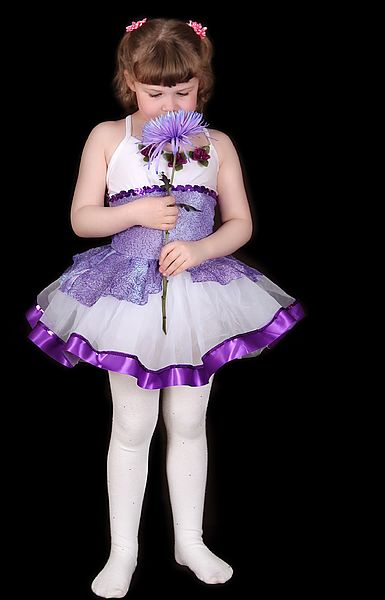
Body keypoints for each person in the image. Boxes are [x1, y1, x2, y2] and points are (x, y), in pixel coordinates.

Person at [25, 17, 305, 598]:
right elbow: (82, 218)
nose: (169, 103)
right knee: (132, 423)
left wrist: (201, 247)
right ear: (130, 81)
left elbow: (242, 222)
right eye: (156, 93)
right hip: (128, 293)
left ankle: (190, 540)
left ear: (202, 82)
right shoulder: (109, 137)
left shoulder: (216, 144)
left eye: (184, 92)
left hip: (198, 293)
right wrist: (134, 213)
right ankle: (123, 550)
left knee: (189, 420)